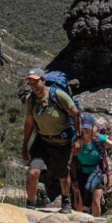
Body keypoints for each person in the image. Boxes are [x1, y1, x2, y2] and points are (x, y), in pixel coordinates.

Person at [22, 68, 80, 213]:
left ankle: (66, 201)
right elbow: (29, 123)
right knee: (33, 172)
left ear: (43, 80)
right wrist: (25, 145)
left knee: (61, 174)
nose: (33, 85)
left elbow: (75, 114)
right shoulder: (31, 100)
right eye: (30, 82)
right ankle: (30, 205)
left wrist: (77, 138)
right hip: (42, 141)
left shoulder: (58, 95)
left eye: (36, 81)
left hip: (61, 143)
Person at [70, 113, 112, 217]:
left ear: (93, 127)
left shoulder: (99, 138)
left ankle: (95, 222)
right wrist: (74, 150)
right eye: (84, 127)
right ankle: (82, 222)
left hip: (96, 171)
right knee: (80, 203)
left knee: (95, 202)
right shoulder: (76, 140)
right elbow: (72, 156)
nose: (86, 130)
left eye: (88, 128)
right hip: (81, 172)